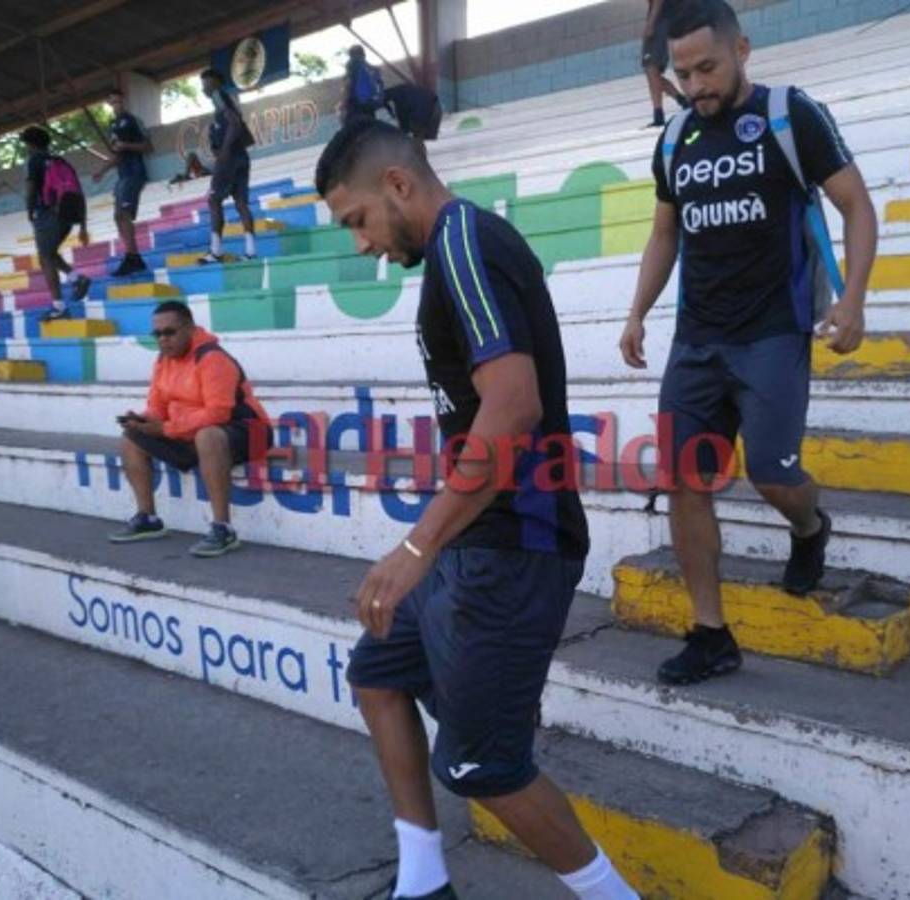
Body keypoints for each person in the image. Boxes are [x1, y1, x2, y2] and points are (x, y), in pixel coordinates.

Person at [315, 120, 639, 900]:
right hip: (478, 536)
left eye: (356, 220)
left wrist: (416, 546)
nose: (360, 245)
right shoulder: (456, 252)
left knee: (483, 768)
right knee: (377, 674)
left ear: (397, 185)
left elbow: (513, 407)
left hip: (515, 544)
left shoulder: (464, 244)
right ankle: (424, 882)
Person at [618, 0, 878, 685]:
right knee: (682, 482)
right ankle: (710, 633)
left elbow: (855, 204)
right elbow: (665, 233)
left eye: (707, 66)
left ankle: (807, 528)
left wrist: (852, 299)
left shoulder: (792, 116)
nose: (696, 84)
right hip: (696, 341)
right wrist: (637, 313)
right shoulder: (675, 139)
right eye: (683, 72)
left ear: (741, 49)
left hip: (772, 333)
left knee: (772, 474)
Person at [111, 300, 272, 557]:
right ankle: (148, 518)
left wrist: (165, 430)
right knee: (132, 436)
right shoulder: (163, 360)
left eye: (170, 332)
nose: (163, 339)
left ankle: (223, 529)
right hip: (190, 432)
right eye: (157, 334)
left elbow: (218, 413)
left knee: (207, 435)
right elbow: (157, 407)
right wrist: (143, 420)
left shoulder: (212, 358)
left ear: (190, 329)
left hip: (248, 431)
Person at [20, 126, 91, 321]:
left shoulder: (34, 161)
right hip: (68, 215)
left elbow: (31, 188)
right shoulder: (61, 161)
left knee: (45, 258)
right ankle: (77, 279)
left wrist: (29, 211)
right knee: (50, 253)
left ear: (30, 144)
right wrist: (83, 225)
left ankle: (58, 306)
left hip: (47, 214)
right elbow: (79, 192)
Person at [197, 69, 257, 265]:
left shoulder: (219, 96)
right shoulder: (223, 106)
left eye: (206, 83)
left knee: (214, 200)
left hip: (230, 159)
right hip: (241, 158)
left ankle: (216, 252)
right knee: (241, 203)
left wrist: (223, 152)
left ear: (216, 83)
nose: (203, 87)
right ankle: (250, 252)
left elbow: (234, 124)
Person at [92, 87, 152, 277]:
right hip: (122, 174)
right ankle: (132, 256)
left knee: (124, 214)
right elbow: (118, 155)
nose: (116, 104)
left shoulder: (133, 120)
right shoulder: (112, 126)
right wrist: (102, 170)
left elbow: (148, 146)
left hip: (134, 172)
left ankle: (133, 257)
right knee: (118, 216)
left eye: (118, 100)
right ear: (109, 104)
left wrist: (126, 145)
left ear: (123, 101)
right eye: (112, 101)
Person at [642, 0, 691, 128]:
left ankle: (658, 114)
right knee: (652, 71)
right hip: (664, 21)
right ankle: (682, 100)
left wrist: (651, 23)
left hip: (660, 22)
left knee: (651, 67)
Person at [337, 45, 385, 125]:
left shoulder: (351, 64)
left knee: (340, 112)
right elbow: (377, 74)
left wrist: (343, 103)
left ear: (351, 55)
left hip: (356, 105)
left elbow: (348, 85)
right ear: (363, 54)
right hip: (371, 103)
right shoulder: (367, 66)